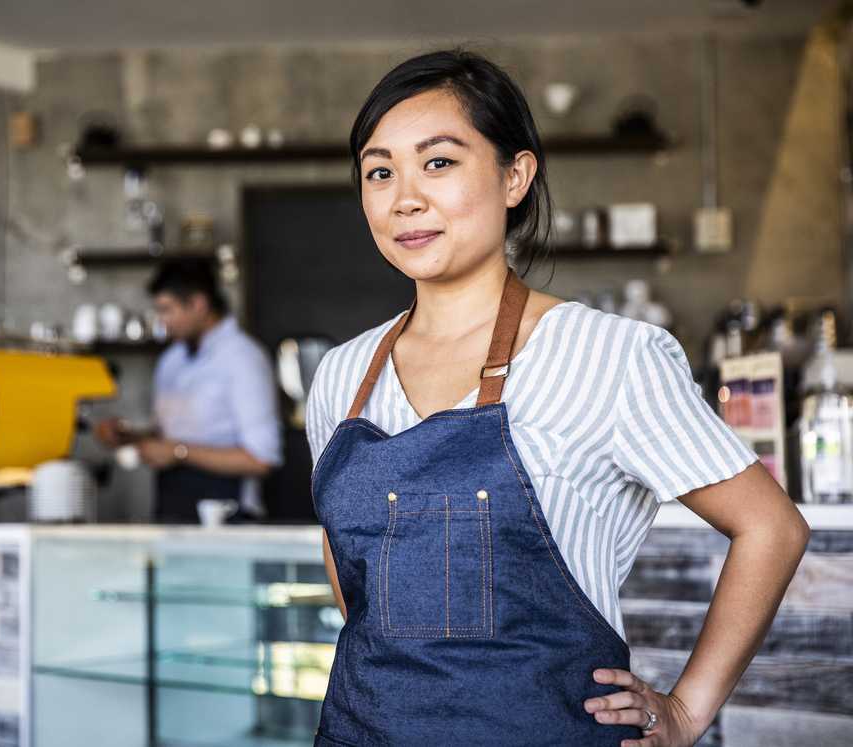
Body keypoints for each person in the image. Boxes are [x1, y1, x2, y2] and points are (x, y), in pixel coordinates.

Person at [304, 49, 809, 746]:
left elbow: (772, 528)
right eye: (379, 171)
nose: (404, 197)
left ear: (516, 176)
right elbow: (352, 575)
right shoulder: (341, 374)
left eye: (439, 162)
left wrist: (687, 710)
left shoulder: (611, 355)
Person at [96, 258, 282, 523]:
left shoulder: (243, 358)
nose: (162, 322)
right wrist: (130, 437)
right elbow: (167, 432)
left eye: (167, 310)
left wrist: (177, 452)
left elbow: (262, 459)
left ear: (198, 304)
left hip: (227, 517)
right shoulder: (170, 360)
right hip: (171, 505)